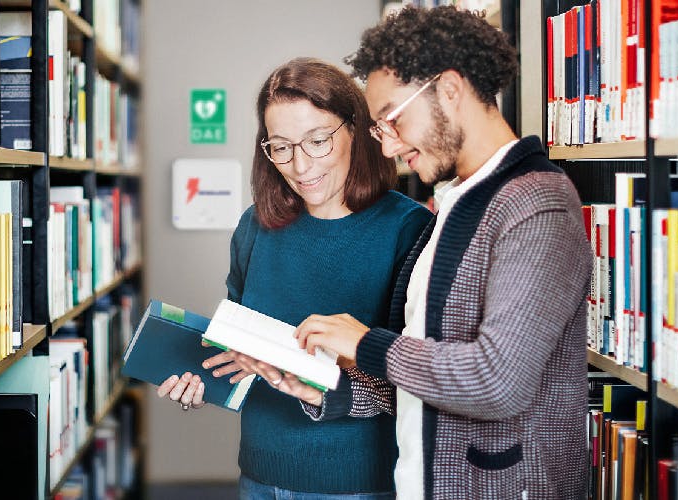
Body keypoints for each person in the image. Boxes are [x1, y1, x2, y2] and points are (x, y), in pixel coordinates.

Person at [295, 6, 593, 499]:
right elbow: (430, 370)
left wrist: (366, 343)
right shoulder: (456, 203)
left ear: (450, 90)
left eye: (391, 118)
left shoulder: (538, 204)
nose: (387, 147)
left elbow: (498, 381)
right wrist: (334, 388)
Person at [156, 57, 433, 499]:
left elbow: (416, 382)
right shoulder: (255, 226)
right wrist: (201, 380)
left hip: (358, 484)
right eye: (281, 147)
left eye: (318, 141)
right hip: (260, 476)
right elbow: (242, 354)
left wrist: (317, 383)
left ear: (356, 130)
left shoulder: (410, 230)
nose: (301, 166)